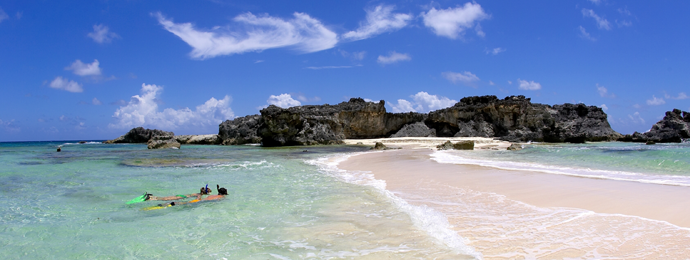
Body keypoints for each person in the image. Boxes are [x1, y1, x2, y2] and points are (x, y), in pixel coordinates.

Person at [145, 185, 212, 201]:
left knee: (166, 198)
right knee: (165, 199)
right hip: (181, 197)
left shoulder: (198, 193)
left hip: (181, 195)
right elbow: (197, 200)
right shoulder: (199, 195)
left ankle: (151, 197)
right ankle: (150, 198)